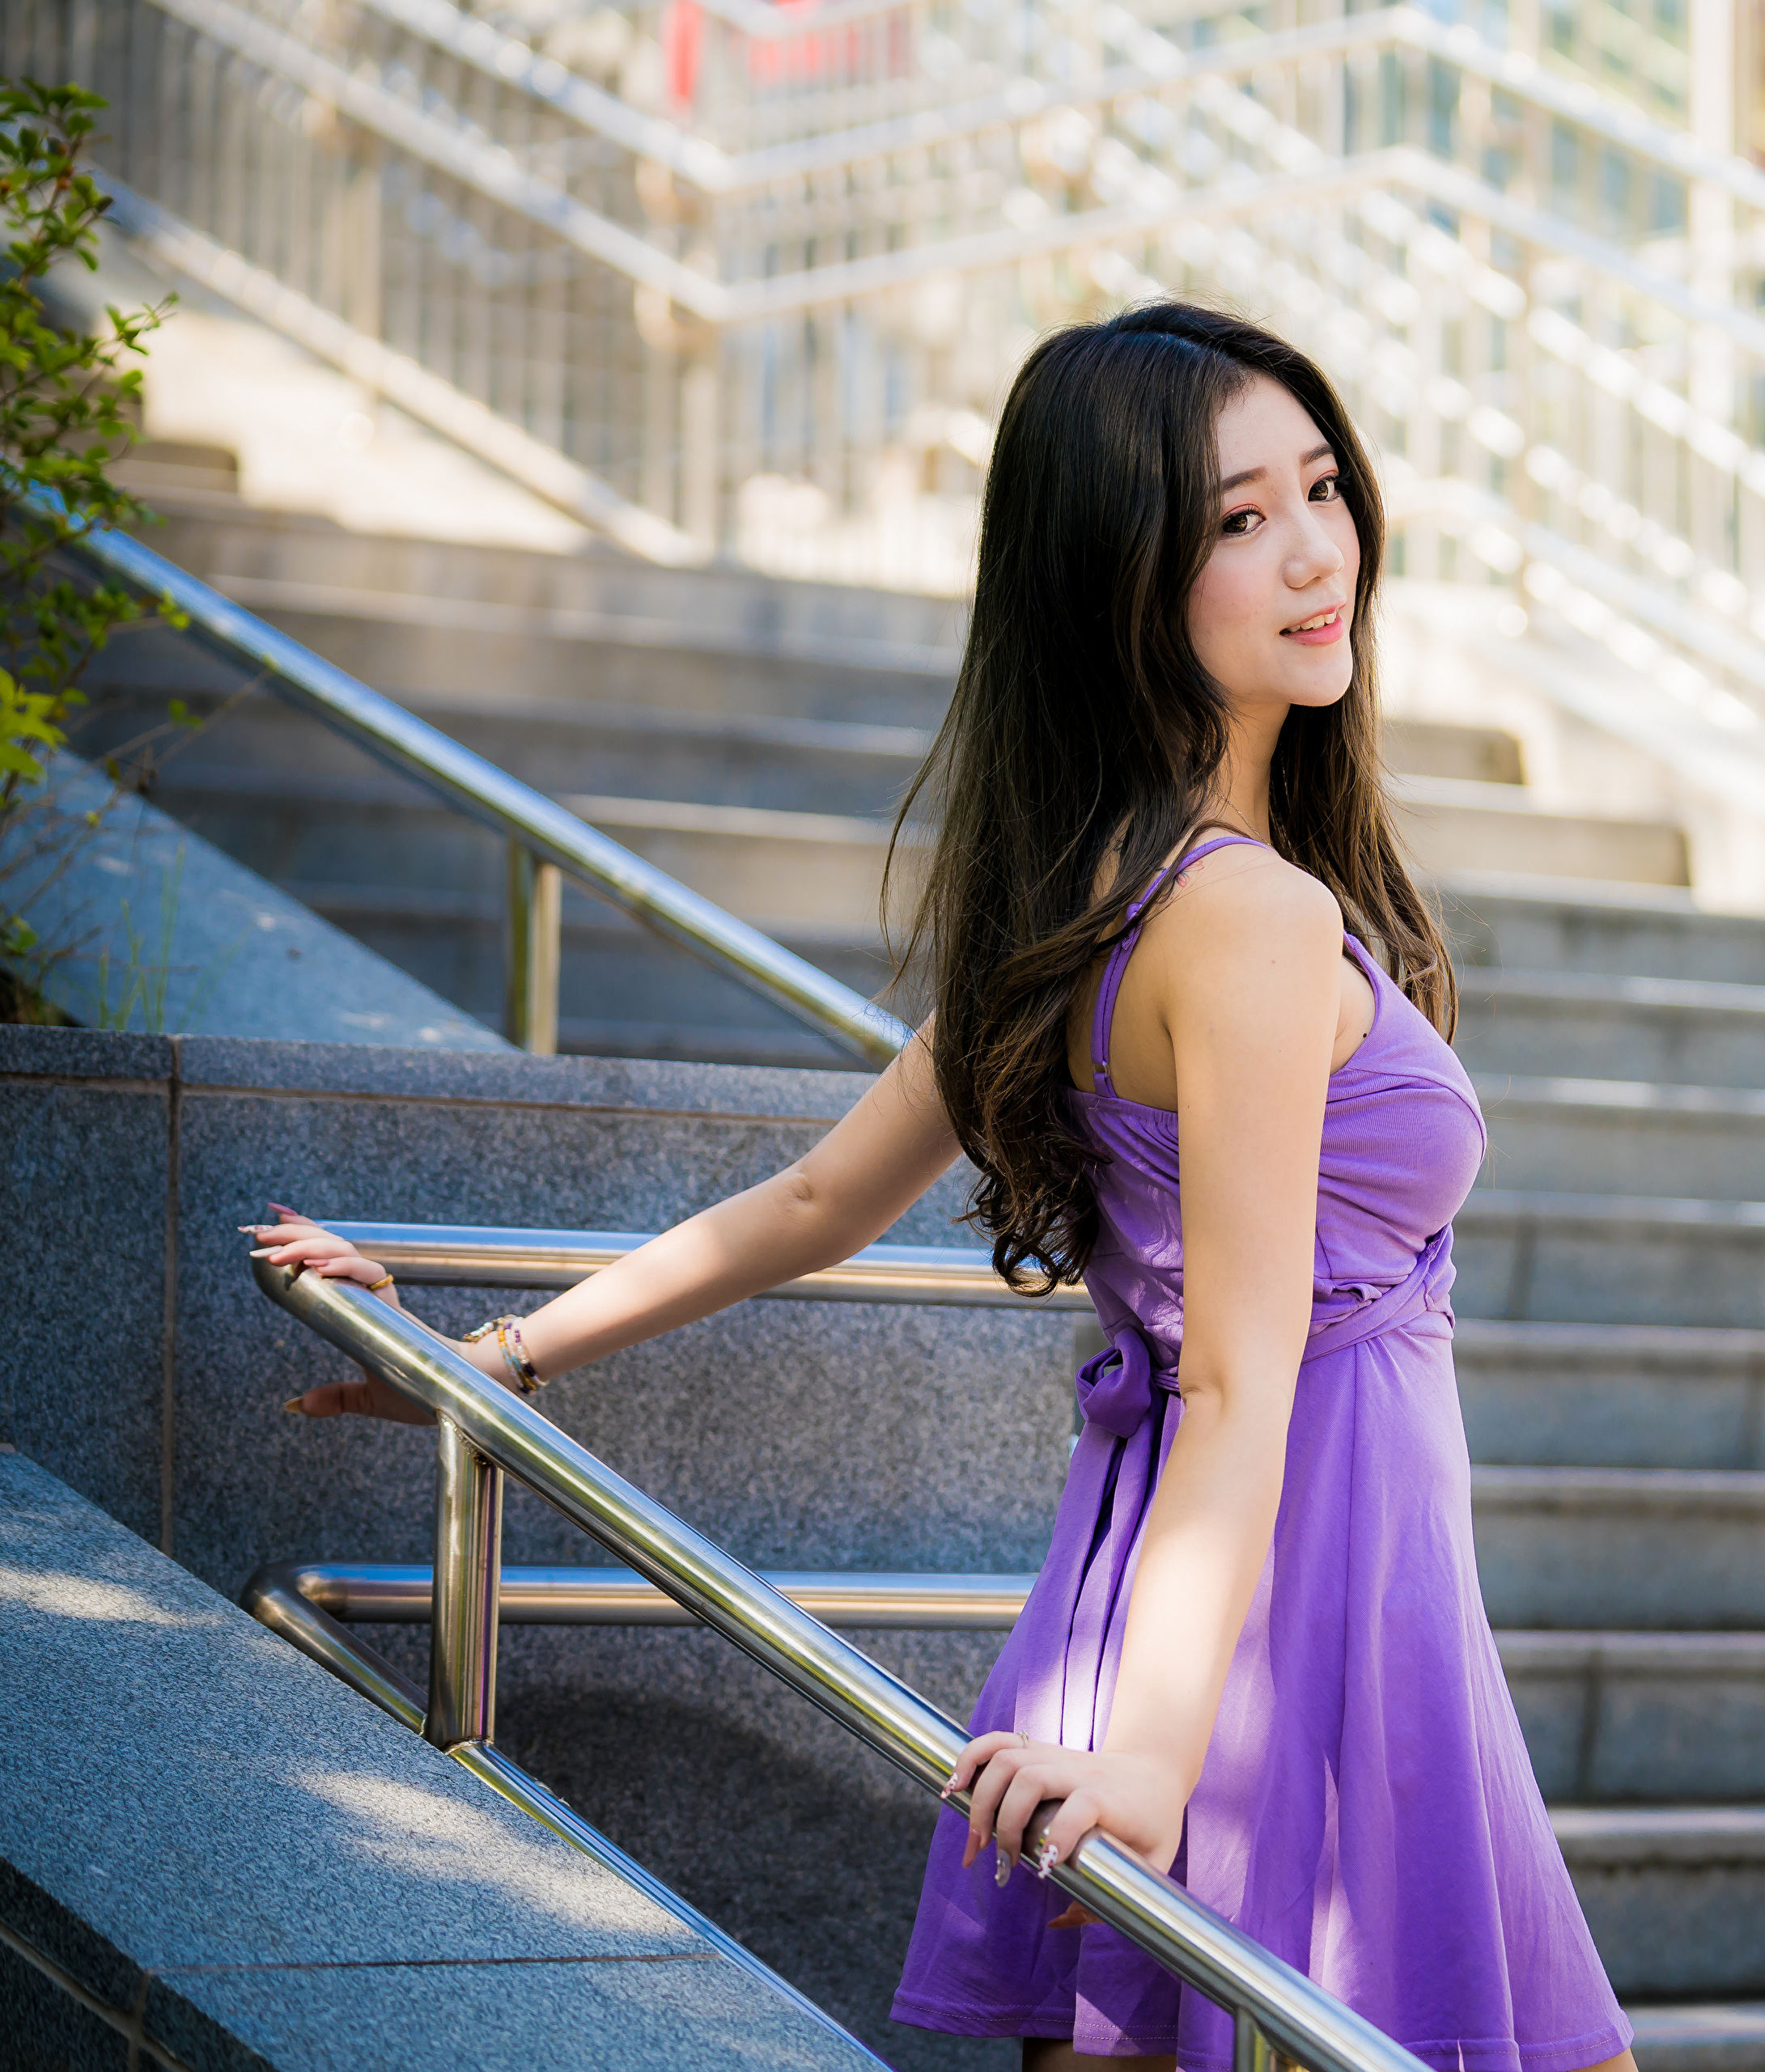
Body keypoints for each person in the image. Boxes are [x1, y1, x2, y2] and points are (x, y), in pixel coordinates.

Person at [259, 301, 1638, 2072]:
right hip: (1294, 1610)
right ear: (1113, 577)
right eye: (1235, 519)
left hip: (1194, 1607)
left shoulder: (1091, 906)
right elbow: (1231, 1374)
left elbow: (815, 1206)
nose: (1313, 553)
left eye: (1321, 488)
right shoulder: (1246, 921)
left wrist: (496, 1355)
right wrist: (1156, 1756)